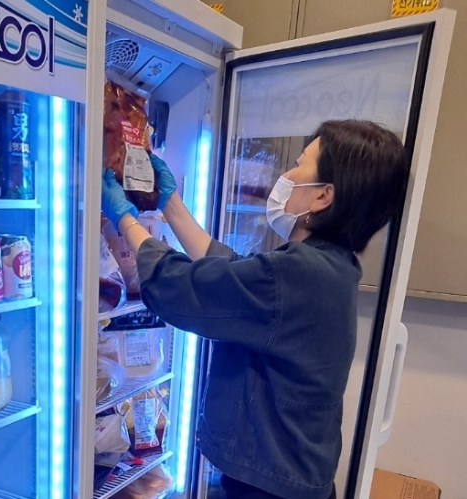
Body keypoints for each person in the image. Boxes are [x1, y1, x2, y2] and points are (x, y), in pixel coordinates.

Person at [100, 119, 408, 499]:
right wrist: (170, 203)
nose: (286, 175)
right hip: (292, 480)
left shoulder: (301, 272)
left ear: (323, 196)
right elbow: (233, 274)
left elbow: (183, 288)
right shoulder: (331, 265)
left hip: (270, 487)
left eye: (299, 165)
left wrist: (124, 218)